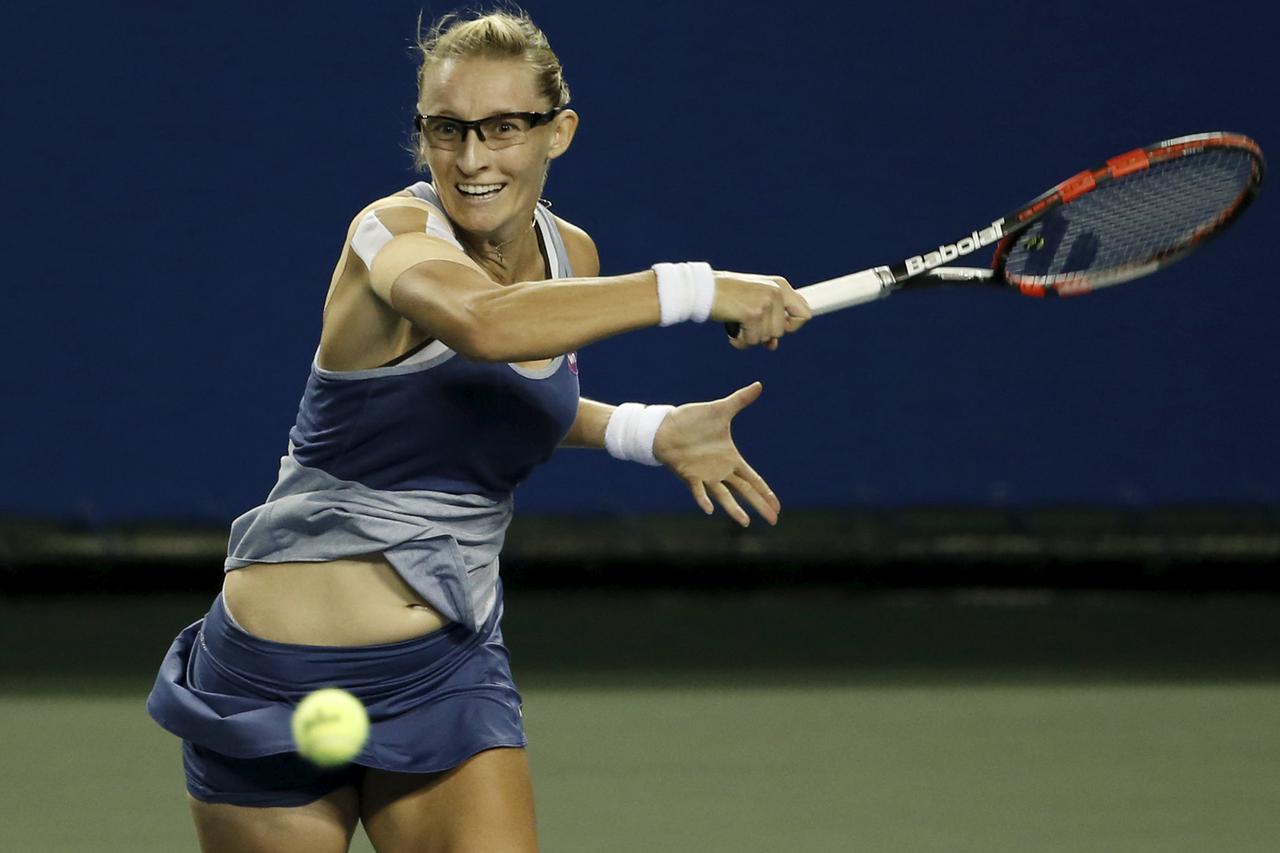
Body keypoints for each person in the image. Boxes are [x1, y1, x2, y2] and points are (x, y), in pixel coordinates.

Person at [147, 9, 810, 852]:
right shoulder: (388, 233)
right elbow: (484, 326)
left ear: (558, 132)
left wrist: (647, 431)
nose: (472, 158)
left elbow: (501, 404)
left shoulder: (570, 254)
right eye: (447, 130)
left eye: (504, 128)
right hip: (278, 666)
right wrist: (701, 287)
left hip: (446, 665)